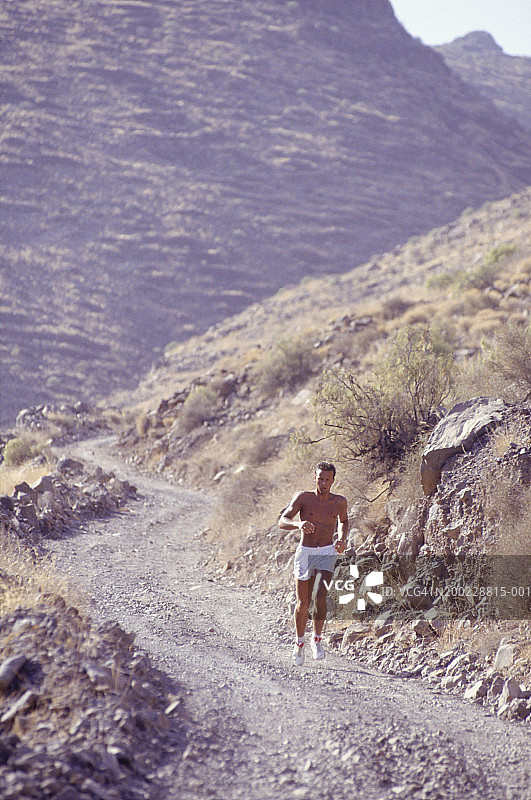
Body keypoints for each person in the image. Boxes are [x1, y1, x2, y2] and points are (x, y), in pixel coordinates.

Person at [278, 462, 348, 665]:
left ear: (333, 481)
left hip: (327, 551)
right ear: (314, 478)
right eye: (320, 478)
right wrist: (298, 524)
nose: (324, 483)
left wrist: (342, 539)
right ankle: (299, 642)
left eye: (328, 479)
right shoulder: (303, 498)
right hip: (306, 552)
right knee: (303, 602)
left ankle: (316, 639)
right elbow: (282, 520)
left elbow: (344, 521)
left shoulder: (339, 502)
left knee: (320, 598)